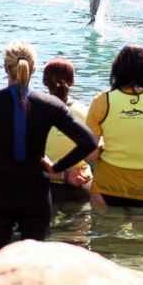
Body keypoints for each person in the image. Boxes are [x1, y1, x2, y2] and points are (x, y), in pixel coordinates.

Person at [0, 40, 96, 248]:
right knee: (32, 261)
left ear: (6, 68)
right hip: (35, 195)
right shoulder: (51, 105)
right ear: (34, 68)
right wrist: (57, 167)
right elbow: (87, 142)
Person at [86, 44, 143, 210]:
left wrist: (103, 148)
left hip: (106, 189)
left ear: (116, 69)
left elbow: (87, 155)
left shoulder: (101, 101)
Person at [43, 57, 93, 203]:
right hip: (81, 185)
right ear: (72, 82)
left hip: (45, 186)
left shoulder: (34, 111)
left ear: (45, 82)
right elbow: (96, 148)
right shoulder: (85, 112)